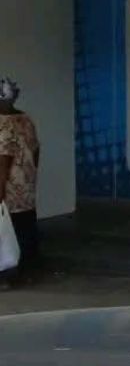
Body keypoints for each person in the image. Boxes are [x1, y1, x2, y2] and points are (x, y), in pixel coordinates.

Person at [0, 78, 38, 288]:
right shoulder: (25, 119)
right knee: (26, 227)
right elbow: (36, 150)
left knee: (8, 234)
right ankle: (28, 271)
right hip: (26, 184)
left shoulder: (2, 123)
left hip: (8, 188)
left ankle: (9, 277)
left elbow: (3, 159)